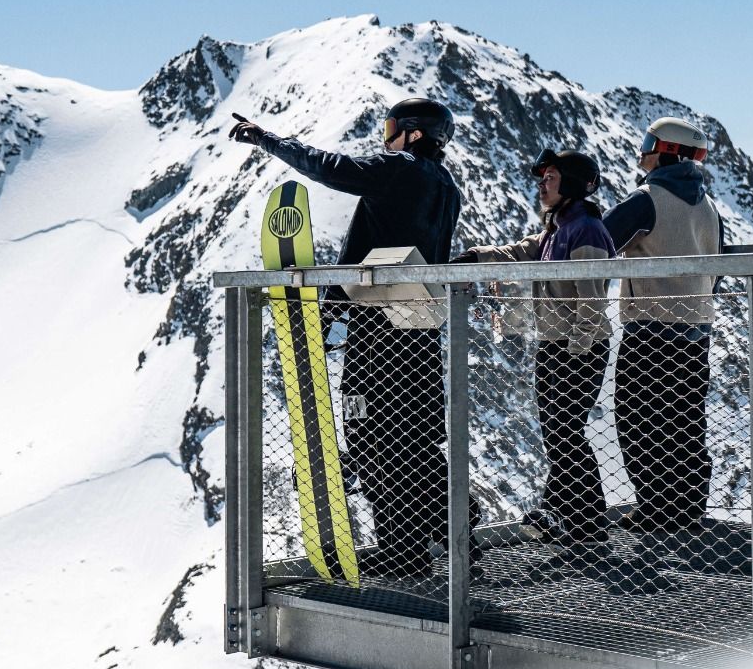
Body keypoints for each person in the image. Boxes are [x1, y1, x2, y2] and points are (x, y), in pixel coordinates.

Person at [228, 98, 461, 579]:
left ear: (414, 134)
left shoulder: (401, 168)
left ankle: (403, 551)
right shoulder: (447, 187)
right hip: (421, 324)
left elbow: (331, 168)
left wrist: (267, 139)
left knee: (369, 434)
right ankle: (446, 529)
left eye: (392, 126)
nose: (387, 135)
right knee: (414, 436)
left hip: (376, 327)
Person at [604, 116, 753, 571]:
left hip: (650, 326)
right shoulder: (708, 207)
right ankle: (687, 507)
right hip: (696, 330)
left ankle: (654, 508)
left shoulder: (646, 200)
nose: (642, 153)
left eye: (648, 144)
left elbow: (599, 242)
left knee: (636, 418)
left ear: (667, 151)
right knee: (685, 418)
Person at [460, 150, 616, 547]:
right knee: (558, 433)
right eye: (542, 176)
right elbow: (518, 251)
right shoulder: (555, 229)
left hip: (578, 349)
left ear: (574, 184)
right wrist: (477, 257)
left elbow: (592, 299)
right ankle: (571, 518)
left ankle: (585, 524)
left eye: (550, 176)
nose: (541, 183)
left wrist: (576, 348)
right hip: (552, 345)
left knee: (565, 431)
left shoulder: (586, 229)